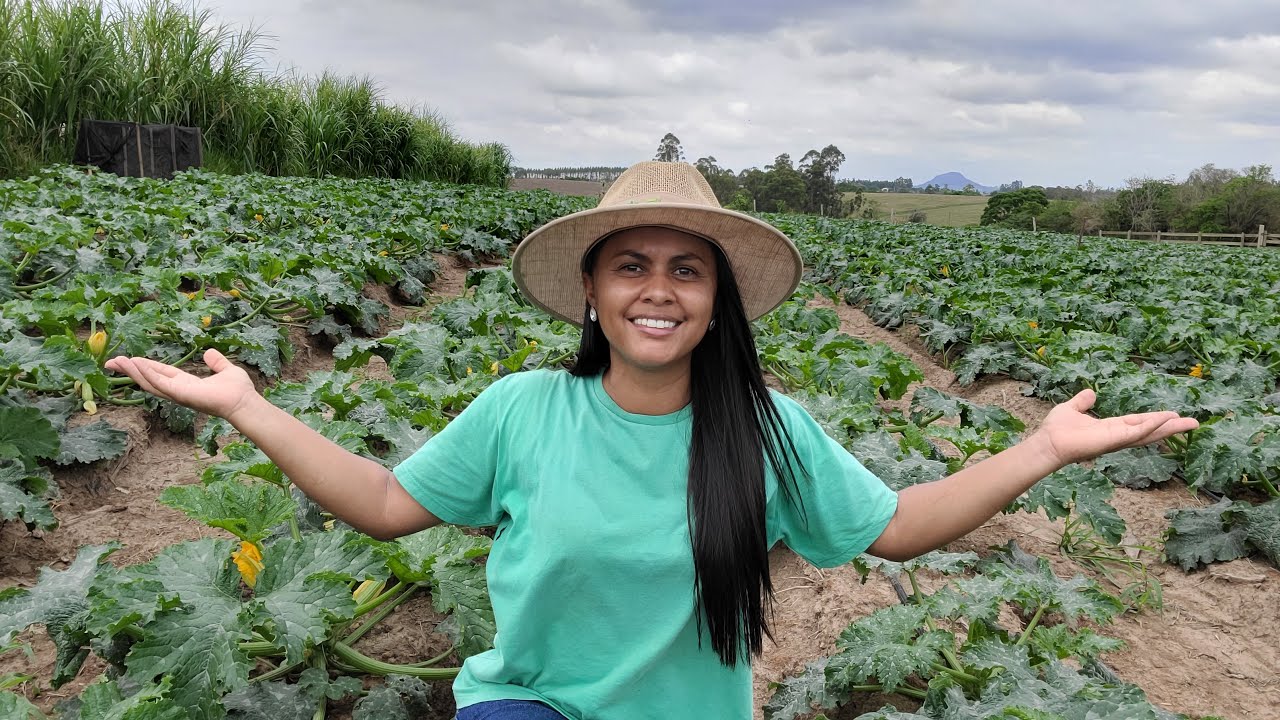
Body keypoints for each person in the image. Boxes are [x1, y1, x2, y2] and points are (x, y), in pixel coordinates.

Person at [105, 161, 1198, 720]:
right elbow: (388, 505)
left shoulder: (769, 435)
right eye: (631, 265)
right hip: (521, 708)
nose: (657, 291)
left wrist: (1043, 449)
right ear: (590, 290)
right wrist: (252, 409)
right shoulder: (520, 411)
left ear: (718, 301)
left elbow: (900, 530)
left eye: (686, 269)